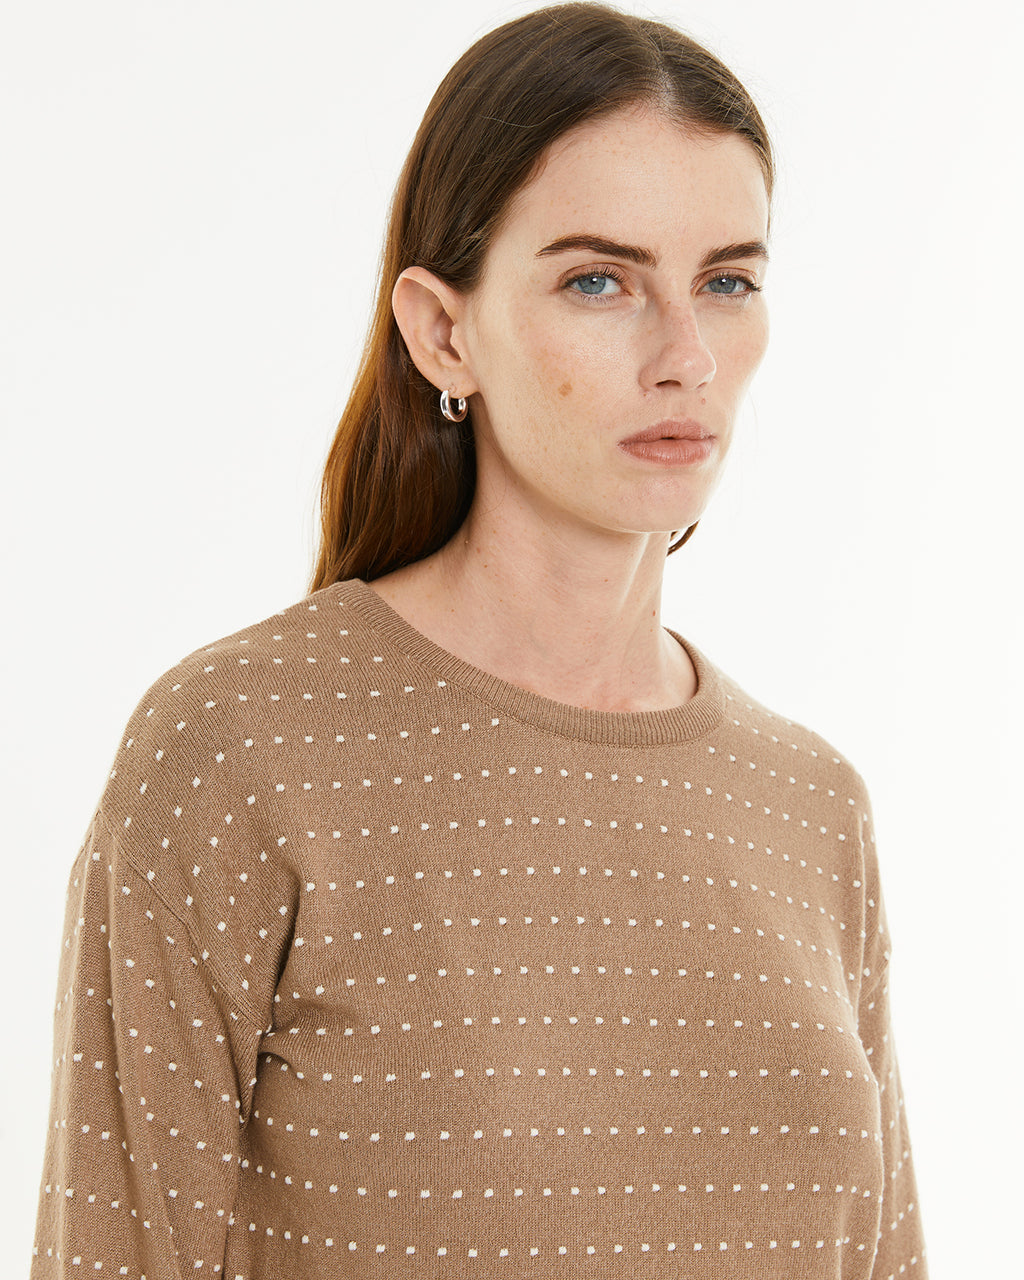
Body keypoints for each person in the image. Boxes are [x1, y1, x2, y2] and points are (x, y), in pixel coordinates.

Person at [31, 4, 927, 1277]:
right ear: (442, 330)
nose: (684, 355)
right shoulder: (241, 748)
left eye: (726, 280)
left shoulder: (809, 804)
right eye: (598, 281)